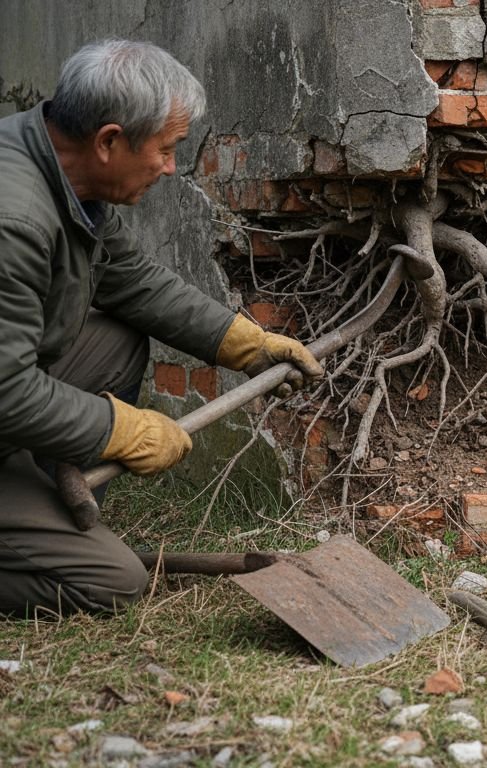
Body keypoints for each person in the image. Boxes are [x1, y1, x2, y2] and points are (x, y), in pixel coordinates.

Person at [0, 40, 323, 617]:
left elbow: (131, 280)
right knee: (112, 583)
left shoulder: (58, 170)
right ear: (108, 141)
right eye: (167, 149)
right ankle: (42, 541)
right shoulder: (15, 220)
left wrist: (243, 344)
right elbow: (4, 391)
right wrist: (115, 429)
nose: (172, 168)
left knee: (115, 340)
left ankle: (50, 513)